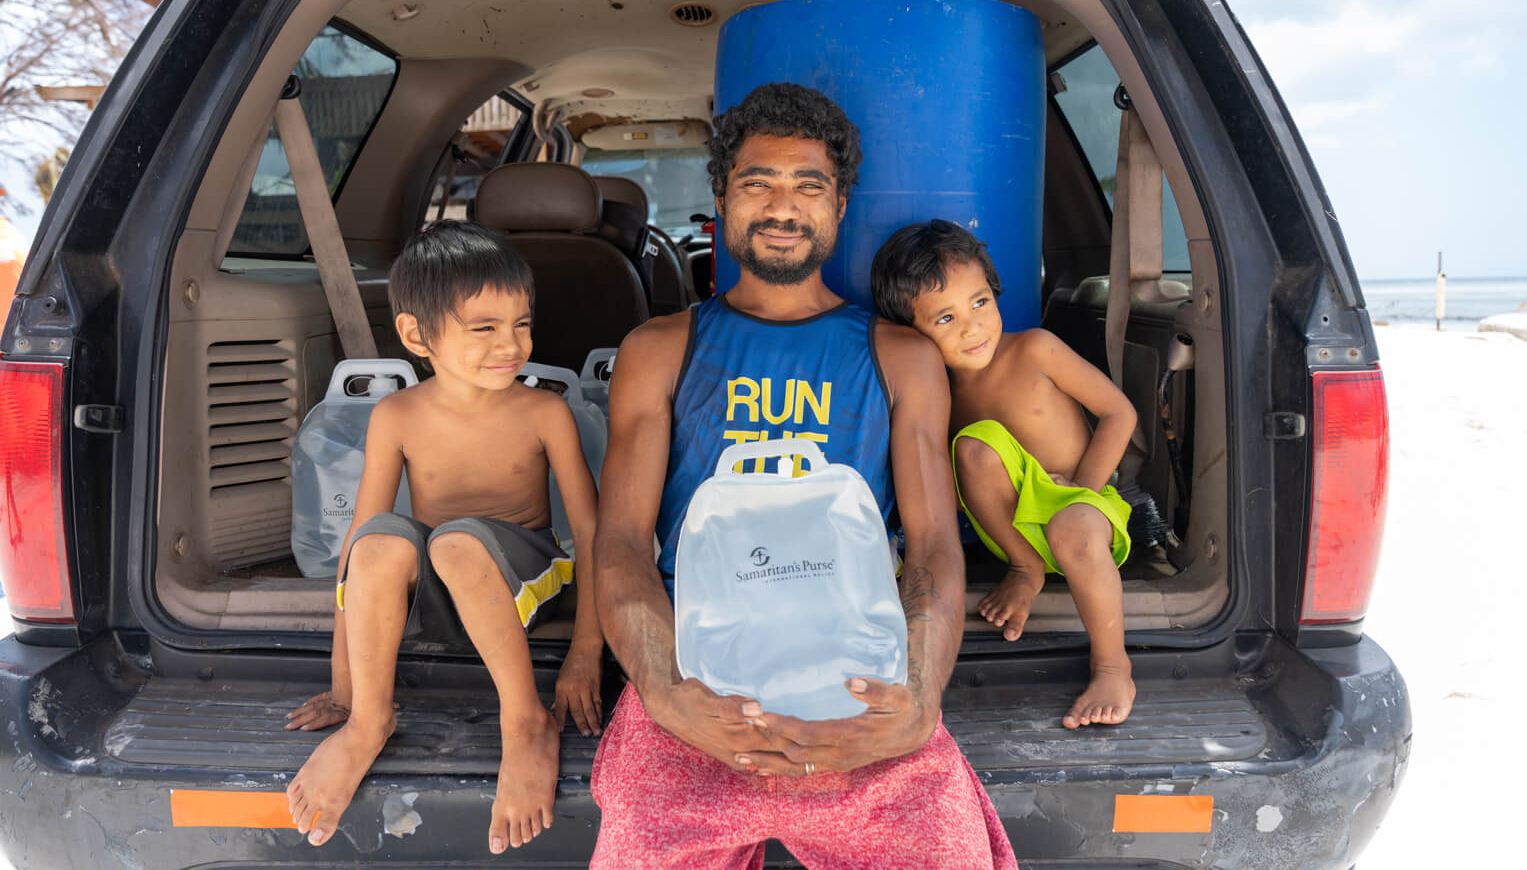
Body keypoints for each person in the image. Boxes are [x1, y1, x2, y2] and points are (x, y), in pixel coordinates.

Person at [592, 83, 1017, 869]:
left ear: (839, 204)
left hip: (857, 679)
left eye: (807, 186)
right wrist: (664, 691)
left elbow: (930, 546)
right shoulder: (660, 348)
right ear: (721, 196)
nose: (782, 206)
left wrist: (918, 702)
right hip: (698, 678)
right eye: (758, 182)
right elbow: (618, 541)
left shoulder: (901, 354)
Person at [283, 220, 604, 853]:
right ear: (416, 335)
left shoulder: (544, 411)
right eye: (483, 328)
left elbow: (592, 534)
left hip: (526, 572)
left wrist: (584, 653)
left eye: (520, 323)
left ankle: (525, 720)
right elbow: (359, 545)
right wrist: (343, 681)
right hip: (443, 582)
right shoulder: (396, 414)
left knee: (454, 540)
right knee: (379, 539)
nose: (510, 344)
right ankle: (371, 720)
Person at [871, 219, 1137, 729]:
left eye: (979, 303)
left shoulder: (1034, 348)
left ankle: (1111, 666)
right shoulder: (936, 393)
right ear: (912, 332)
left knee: (1072, 526)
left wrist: (1086, 490)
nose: (971, 328)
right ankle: (1025, 570)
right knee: (973, 446)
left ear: (996, 293)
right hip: (1014, 530)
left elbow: (1119, 413)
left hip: (1085, 510)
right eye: (944, 318)